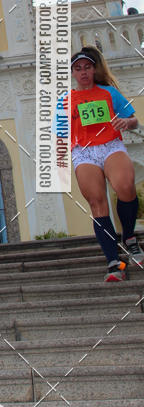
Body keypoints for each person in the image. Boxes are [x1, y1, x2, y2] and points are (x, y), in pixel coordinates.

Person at [65, 46, 141, 282]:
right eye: (78, 69)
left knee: (125, 187)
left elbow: (134, 119)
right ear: (73, 73)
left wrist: (126, 124)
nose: (83, 72)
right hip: (84, 152)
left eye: (87, 67)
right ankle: (113, 262)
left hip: (110, 146)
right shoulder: (66, 100)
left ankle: (129, 237)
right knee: (97, 203)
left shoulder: (108, 93)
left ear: (94, 69)